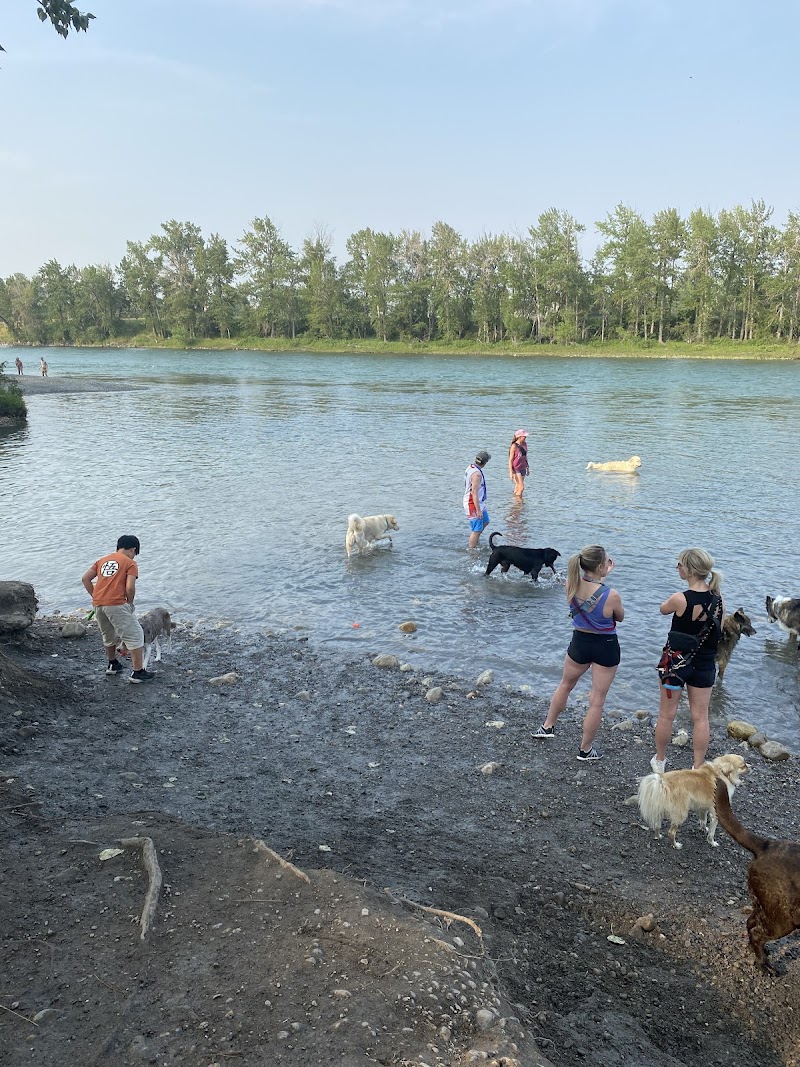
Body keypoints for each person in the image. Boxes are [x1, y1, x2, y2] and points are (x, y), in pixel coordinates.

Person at [533, 545, 624, 761]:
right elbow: (619, 617)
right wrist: (603, 581)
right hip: (606, 645)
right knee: (597, 700)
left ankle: (547, 727)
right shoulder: (611, 595)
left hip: (579, 643)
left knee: (565, 685)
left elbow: (587, 593)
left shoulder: (571, 583)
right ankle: (585, 749)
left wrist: (599, 576)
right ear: (602, 566)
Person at [651, 548, 724, 773]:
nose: (678, 568)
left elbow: (663, 610)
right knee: (700, 717)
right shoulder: (718, 599)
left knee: (666, 714)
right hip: (704, 664)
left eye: (680, 565)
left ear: (689, 569)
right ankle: (698, 767)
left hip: (676, 664)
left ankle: (660, 762)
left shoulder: (680, 598)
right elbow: (718, 630)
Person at [81, 535, 155, 683]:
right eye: (135, 552)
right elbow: (129, 586)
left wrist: (95, 596)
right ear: (133, 549)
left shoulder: (102, 560)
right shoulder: (130, 563)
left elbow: (85, 579)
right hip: (116, 604)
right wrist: (130, 603)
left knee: (108, 635)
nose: (134, 555)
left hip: (99, 604)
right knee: (135, 635)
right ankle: (138, 672)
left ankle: (112, 664)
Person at [464, 450, 491, 549]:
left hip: (479, 502)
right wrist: (478, 510)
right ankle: (472, 549)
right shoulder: (477, 475)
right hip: (472, 503)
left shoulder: (470, 467)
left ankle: (476, 539)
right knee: (476, 529)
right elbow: (474, 492)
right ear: (485, 463)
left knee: (486, 521)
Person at [508, 429, 529, 498]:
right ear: (519, 437)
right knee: (521, 487)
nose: (525, 438)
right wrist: (511, 472)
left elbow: (525, 456)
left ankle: (515, 500)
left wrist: (527, 468)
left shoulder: (525, 444)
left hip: (523, 467)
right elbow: (510, 460)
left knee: (518, 486)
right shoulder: (514, 446)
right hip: (516, 468)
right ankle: (518, 503)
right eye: (524, 436)